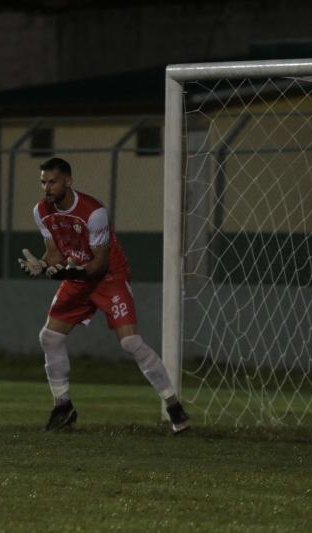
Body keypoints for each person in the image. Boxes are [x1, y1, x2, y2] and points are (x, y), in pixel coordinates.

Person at [18, 157, 190, 435]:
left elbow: (99, 264)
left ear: (68, 181)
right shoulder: (41, 211)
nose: (47, 188)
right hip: (77, 276)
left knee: (131, 342)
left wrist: (70, 272)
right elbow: (55, 253)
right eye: (43, 182)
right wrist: (41, 264)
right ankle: (63, 407)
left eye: (53, 182)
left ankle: (173, 405)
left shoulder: (93, 212)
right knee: (49, 338)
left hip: (108, 277)